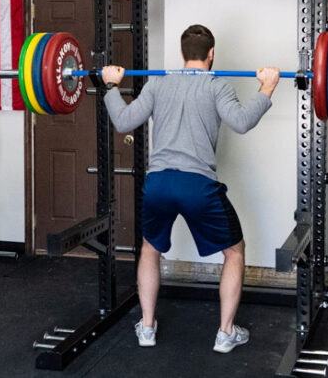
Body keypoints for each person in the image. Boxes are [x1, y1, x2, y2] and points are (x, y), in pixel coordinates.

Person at [101, 24, 280, 353]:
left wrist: (112, 86)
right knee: (234, 251)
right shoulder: (216, 85)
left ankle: (147, 328)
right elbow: (241, 122)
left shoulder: (158, 83)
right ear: (211, 55)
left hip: (158, 183)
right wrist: (266, 88)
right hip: (197, 185)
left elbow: (123, 121)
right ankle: (225, 333)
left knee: (150, 249)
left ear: (182, 54)